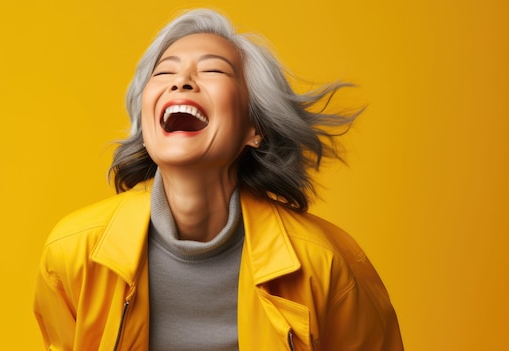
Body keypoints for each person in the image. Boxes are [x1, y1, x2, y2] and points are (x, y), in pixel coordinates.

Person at [34, 8, 404, 351]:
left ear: (254, 127)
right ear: (145, 124)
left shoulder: (326, 264)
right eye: (164, 72)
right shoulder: (74, 254)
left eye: (213, 70)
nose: (181, 82)